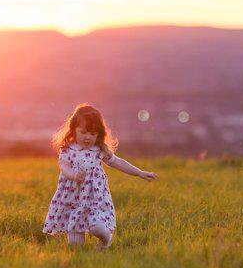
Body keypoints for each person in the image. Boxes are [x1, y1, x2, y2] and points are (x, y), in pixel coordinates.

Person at [42, 103, 158, 250]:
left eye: (92, 134)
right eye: (83, 132)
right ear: (73, 130)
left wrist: (139, 172)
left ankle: (106, 239)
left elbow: (118, 162)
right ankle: (84, 261)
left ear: (99, 134)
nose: (88, 137)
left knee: (96, 227)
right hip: (72, 200)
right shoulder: (68, 149)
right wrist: (74, 175)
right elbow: (64, 168)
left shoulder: (99, 150)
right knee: (75, 246)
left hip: (94, 200)